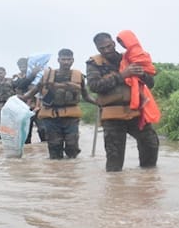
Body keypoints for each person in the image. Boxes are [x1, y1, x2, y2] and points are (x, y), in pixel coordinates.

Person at [87, 32, 160, 172]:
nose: (107, 50)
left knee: (151, 144)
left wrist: (142, 74)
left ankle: (148, 182)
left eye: (109, 46)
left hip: (136, 113)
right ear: (97, 49)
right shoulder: (94, 64)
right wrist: (122, 75)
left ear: (114, 43)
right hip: (112, 116)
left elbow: (150, 83)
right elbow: (95, 86)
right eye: (102, 48)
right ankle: (114, 190)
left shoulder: (130, 58)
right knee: (114, 158)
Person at [23, 49, 96, 159]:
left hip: (70, 117)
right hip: (51, 117)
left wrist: (99, 103)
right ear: (58, 60)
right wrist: (20, 99)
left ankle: (70, 170)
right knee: (54, 147)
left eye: (68, 59)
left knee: (72, 147)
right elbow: (34, 91)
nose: (66, 62)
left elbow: (86, 95)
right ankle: (56, 171)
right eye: (63, 59)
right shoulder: (47, 76)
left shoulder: (78, 76)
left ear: (73, 60)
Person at [13, 57, 41, 144]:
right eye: (20, 66)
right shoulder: (16, 79)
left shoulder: (37, 76)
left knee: (43, 130)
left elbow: (39, 93)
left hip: (36, 107)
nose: (23, 67)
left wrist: (37, 106)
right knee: (26, 133)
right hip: (23, 108)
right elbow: (18, 87)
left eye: (24, 65)